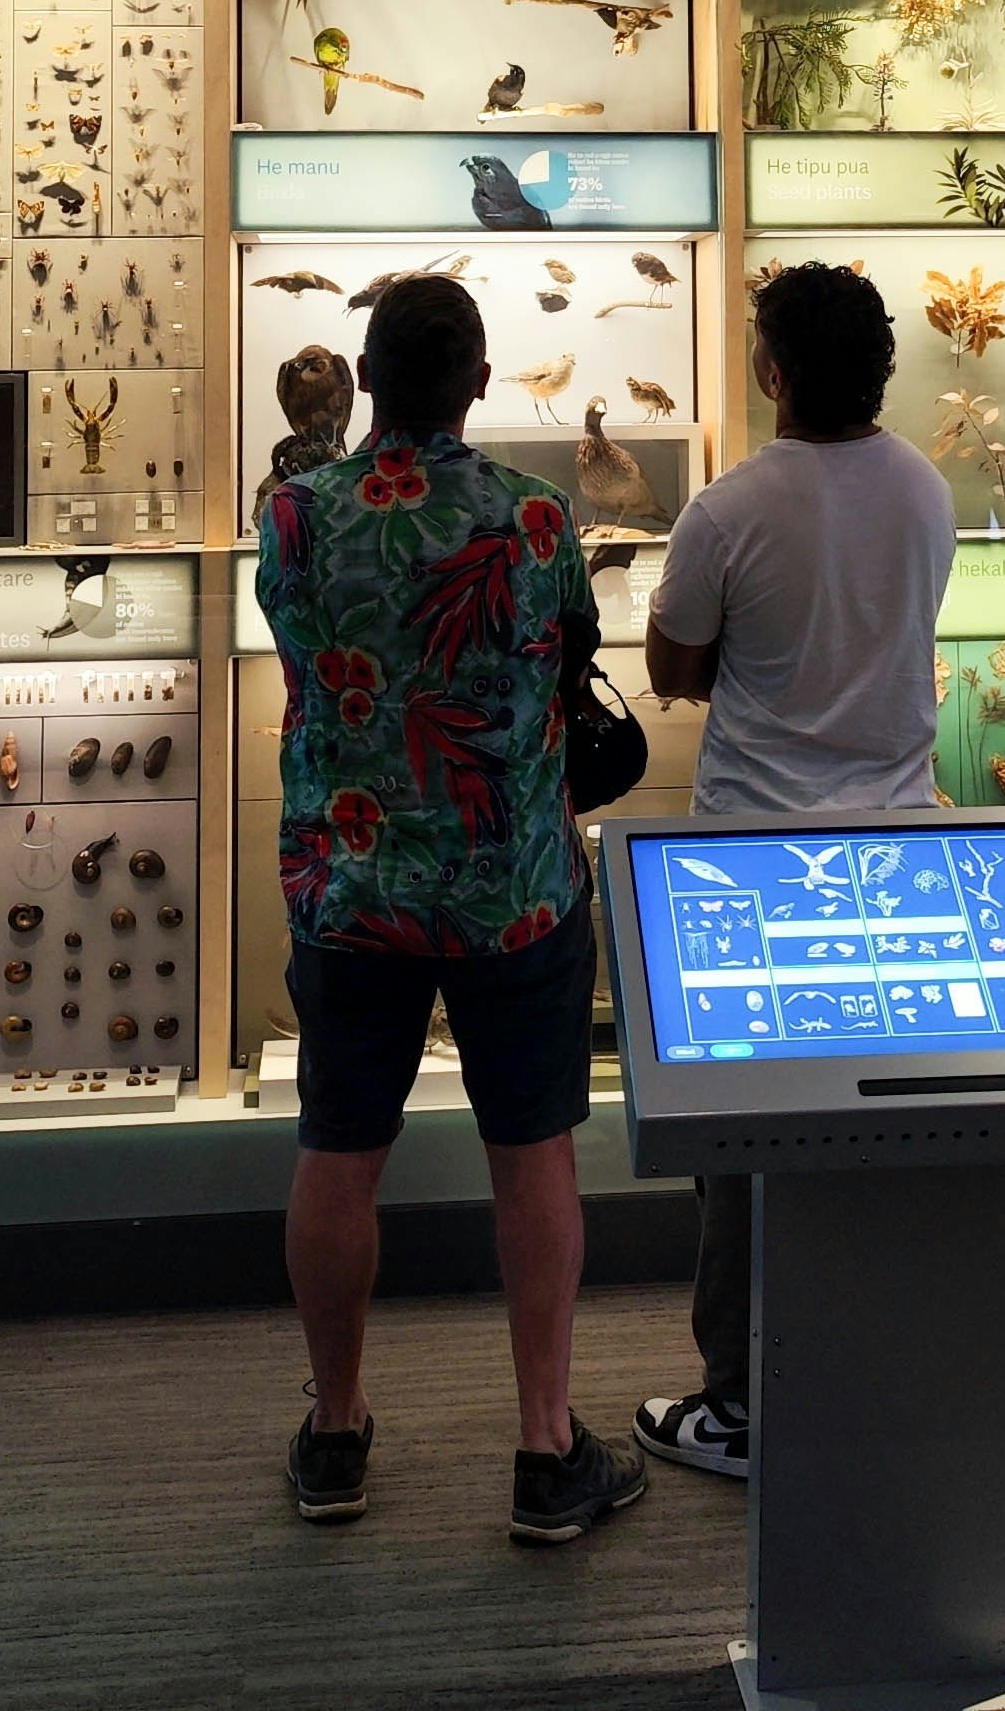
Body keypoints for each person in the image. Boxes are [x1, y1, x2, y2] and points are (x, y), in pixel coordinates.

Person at [259, 274, 647, 1543]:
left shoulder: (299, 514)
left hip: (352, 882)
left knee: (338, 1150)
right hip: (513, 889)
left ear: (363, 379)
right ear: (481, 381)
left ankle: (335, 1435)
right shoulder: (533, 519)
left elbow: (304, 645)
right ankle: (544, 1451)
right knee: (531, 1156)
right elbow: (573, 647)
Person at [629, 261, 956, 1479]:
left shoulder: (726, 509)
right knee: (876, 1127)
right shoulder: (925, 489)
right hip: (897, 845)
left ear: (770, 367)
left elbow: (674, 669)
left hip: (750, 861)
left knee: (741, 1146)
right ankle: (871, 1369)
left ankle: (741, 1403)